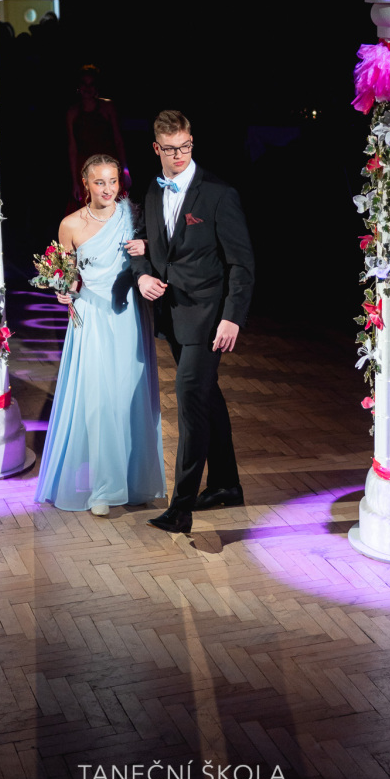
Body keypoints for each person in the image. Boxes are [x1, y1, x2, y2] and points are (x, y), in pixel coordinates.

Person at [130, 110, 255, 534]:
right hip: (172, 315)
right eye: (170, 149)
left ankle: (181, 508)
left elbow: (242, 264)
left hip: (208, 319)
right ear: (156, 148)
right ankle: (225, 484)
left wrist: (232, 318)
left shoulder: (219, 194)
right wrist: (143, 274)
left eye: (185, 146)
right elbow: (144, 244)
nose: (179, 155)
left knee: (189, 400)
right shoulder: (153, 189)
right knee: (206, 395)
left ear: (191, 143)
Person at [34, 153, 166, 515]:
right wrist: (63, 290)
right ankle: (103, 490)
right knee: (98, 402)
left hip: (128, 315)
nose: (108, 189)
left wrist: (148, 248)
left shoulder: (132, 215)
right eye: (99, 182)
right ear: (85, 184)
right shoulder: (70, 225)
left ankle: (135, 482)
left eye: (113, 181)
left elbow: (159, 252)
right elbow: (67, 274)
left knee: (129, 398)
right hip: (91, 316)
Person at [66, 65, 130, 206]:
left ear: (96, 87)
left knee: (111, 207)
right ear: (79, 87)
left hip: (108, 167)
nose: (87, 88)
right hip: (86, 169)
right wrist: (75, 182)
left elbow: (118, 140)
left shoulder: (108, 107)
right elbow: (72, 148)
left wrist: (125, 171)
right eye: (84, 84)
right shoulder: (73, 112)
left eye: (91, 84)